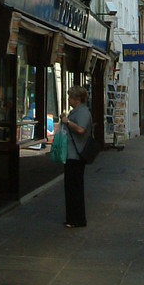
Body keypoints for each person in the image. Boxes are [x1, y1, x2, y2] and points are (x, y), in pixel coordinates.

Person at [60, 85, 92, 227]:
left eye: (70, 97)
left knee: (74, 188)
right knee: (71, 187)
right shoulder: (77, 111)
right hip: (71, 154)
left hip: (76, 155)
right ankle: (72, 217)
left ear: (77, 99)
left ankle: (77, 219)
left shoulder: (83, 112)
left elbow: (80, 129)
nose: (68, 99)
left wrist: (67, 122)